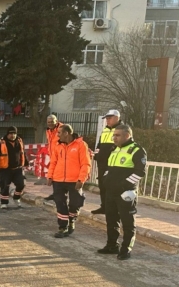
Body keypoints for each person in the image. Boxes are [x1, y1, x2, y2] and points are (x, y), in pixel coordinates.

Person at [97, 124, 146, 260]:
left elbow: (140, 172)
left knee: (127, 222)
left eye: (117, 135)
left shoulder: (137, 150)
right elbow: (108, 168)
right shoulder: (115, 149)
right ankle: (112, 245)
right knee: (111, 220)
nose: (114, 138)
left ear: (127, 135)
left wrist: (124, 185)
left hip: (126, 194)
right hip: (111, 192)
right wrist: (106, 179)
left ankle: (126, 249)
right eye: (114, 135)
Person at [46, 125, 91, 238]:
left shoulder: (81, 145)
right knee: (60, 203)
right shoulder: (58, 146)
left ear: (67, 133)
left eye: (60, 133)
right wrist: (50, 176)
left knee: (75, 203)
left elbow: (85, 164)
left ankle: (72, 220)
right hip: (58, 180)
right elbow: (53, 162)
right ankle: (63, 227)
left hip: (74, 180)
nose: (58, 135)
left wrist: (81, 179)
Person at [91, 110, 122, 214]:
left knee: (111, 186)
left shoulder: (122, 129)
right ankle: (104, 207)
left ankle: (112, 208)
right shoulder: (105, 130)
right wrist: (97, 155)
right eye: (107, 118)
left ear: (117, 118)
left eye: (110, 118)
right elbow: (100, 145)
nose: (107, 120)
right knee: (102, 185)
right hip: (102, 162)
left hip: (113, 164)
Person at [0, 126, 29, 209]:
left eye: (14, 133)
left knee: (21, 184)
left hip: (18, 168)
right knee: (5, 186)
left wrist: (26, 163)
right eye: (11, 133)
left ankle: (16, 197)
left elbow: (23, 153)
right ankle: (4, 203)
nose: (12, 135)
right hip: (5, 169)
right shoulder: (1, 142)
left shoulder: (19, 141)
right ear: (7, 134)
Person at [43, 115, 64, 201]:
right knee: (54, 176)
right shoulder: (48, 131)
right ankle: (56, 194)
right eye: (49, 122)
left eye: (52, 121)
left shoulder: (62, 129)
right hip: (53, 156)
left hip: (61, 156)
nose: (50, 123)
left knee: (59, 177)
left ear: (56, 121)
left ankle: (59, 195)